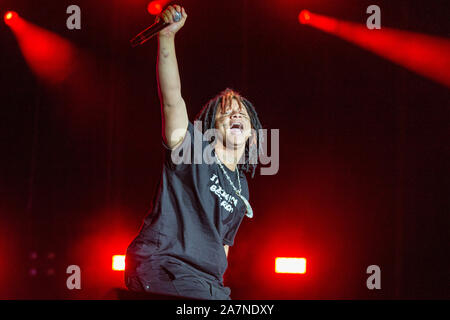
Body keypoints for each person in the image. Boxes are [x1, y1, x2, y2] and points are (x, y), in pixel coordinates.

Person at [124, 4, 263, 300]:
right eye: (226, 113)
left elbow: (223, 244)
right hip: (166, 267)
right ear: (212, 128)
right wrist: (167, 38)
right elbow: (172, 99)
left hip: (209, 284)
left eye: (242, 114)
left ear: (251, 132)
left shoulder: (242, 186)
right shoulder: (193, 150)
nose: (235, 115)